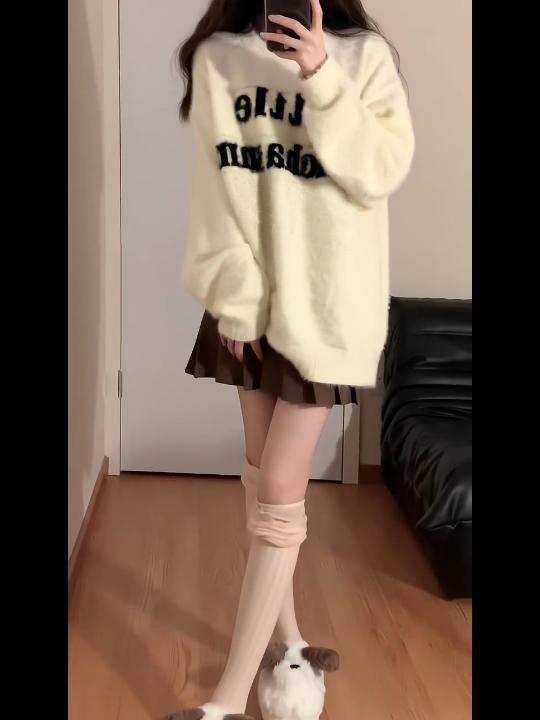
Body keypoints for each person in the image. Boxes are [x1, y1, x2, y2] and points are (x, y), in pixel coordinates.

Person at [170, 0, 414, 717]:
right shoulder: (221, 57)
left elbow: (380, 170)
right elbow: (216, 187)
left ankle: (224, 702)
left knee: (279, 489)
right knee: (260, 479)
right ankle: (293, 645)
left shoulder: (363, 56)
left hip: (329, 308)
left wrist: (322, 77)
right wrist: (235, 298)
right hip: (250, 302)